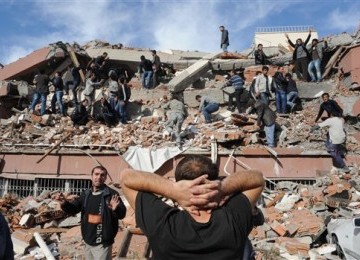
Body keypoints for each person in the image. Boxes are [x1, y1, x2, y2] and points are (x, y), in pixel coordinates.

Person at [120, 154, 264, 260]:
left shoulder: (162, 223)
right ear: (213, 182)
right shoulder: (232, 219)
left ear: (180, 182)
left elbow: (126, 178)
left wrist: (173, 190)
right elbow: (257, 179)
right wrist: (223, 188)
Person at [56, 166, 126, 260]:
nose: (99, 177)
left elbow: (122, 214)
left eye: (102, 175)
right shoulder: (86, 194)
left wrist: (116, 209)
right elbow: (74, 209)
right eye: (96, 174)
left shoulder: (111, 194)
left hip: (102, 242)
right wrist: (64, 203)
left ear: (105, 178)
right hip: (88, 240)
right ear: (92, 176)